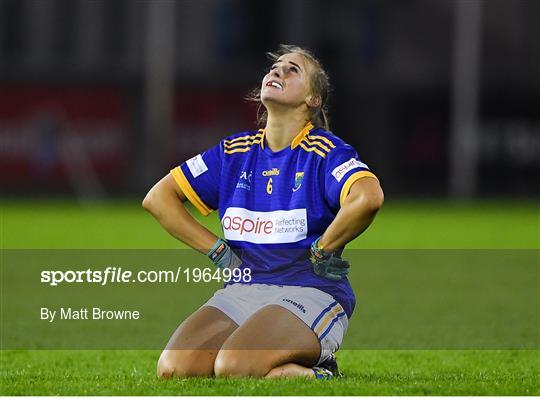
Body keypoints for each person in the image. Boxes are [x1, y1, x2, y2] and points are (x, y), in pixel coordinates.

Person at [142, 44, 384, 379]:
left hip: (309, 291)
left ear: (313, 99)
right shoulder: (234, 152)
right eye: (275, 68)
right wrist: (218, 252)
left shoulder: (325, 151)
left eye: (292, 70)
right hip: (244, 289)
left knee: (234, 367)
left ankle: (321, 371)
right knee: (174, 370)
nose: (277, 72)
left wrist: (323, 248)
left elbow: (368, 198)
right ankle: (276, 360)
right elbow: (158, 198)